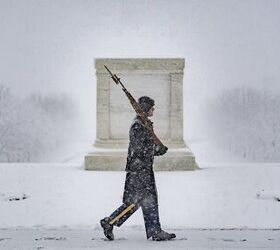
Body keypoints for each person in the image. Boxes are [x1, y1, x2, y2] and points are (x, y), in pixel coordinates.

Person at [100, 96, 176, 241]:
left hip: (144, 169)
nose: (153, 110)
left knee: (150, 200)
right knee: (135, 202)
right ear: (146, 108)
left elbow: (145, 148)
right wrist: (156, 150)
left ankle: (155, 231)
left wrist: (156, 150)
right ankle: (109, 222)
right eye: (152, 108)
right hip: (138, 170)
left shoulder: (143, 123)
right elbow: (139, 149)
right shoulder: (138, 126)